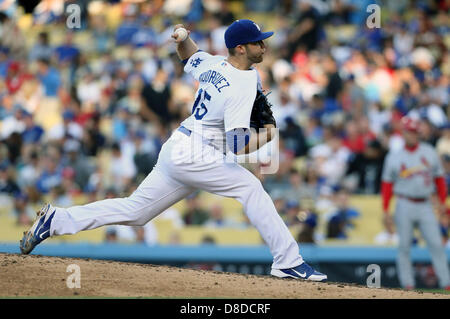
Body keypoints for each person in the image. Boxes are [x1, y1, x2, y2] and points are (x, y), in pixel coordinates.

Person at [20, 20, 327, 282]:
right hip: (196, 152)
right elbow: (236, 147)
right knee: (251, 188)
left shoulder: (214, 63)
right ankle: (287, 261)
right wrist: (267, 135)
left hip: (179, 148)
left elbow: (188, 56)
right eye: (259, 42)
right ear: (242, 48)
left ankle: (56, 219)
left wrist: (183, 38)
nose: (265, 46)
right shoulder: (244, 82)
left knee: (136, 212)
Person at [381, 116, 450, 290]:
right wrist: (385, 209)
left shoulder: (428, 152)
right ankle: (408, 285)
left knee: (436, 243)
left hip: (425, 204)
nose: (412, 135)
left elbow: (440, 178)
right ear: (403, 133)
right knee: (404, 246)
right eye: (409, 132)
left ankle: (447, 284)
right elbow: (387, 185)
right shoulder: (394, 157)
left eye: (414, 132)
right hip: (404, 203)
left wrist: (442, 201)